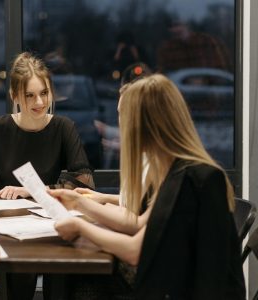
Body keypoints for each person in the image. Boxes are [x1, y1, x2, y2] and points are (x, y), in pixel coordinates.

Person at [48, 74, 245, 299]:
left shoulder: (190, 179)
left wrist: (81, 226)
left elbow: (135, 251)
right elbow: (141, 224)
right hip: (174, 286)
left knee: (84, 285)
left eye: (125, 119)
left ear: (145, 125)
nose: (122, 128)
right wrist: (80, 203)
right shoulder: (178, 171)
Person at [0, 52, 94, 300]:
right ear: (14, 96)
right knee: (17, 283)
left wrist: (31, 190)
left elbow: (83, 180)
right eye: (29, 95)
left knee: (61, 279)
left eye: (44, 93)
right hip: (9, 229)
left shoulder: (63, 127)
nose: (39, 101)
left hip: (52, 225)